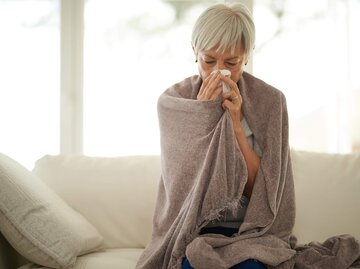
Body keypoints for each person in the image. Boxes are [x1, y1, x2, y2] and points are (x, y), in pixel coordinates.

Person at [136, 2, 295, 269]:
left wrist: (234, 125)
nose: (218, 71)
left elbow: (265, 192)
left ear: (246, 56)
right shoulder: (173, 102)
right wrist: (202, 117)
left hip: (251, 233)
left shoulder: (271, 103)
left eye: (231, 62)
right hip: (192, 230)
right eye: (209, 60)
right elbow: (182, 189)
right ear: (194, 51)